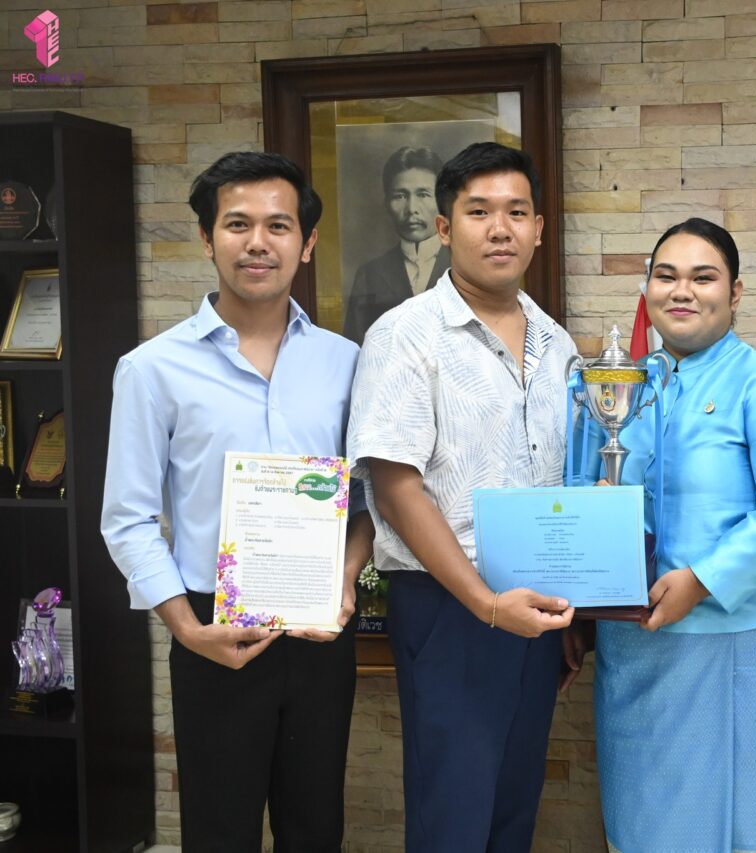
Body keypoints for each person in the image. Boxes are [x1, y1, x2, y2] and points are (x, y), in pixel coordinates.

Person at [101, 151, 374, 852]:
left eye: (279, 225)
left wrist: (344, 581)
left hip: (320, 637)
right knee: (218, 832)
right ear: (206, 238)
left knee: (316, 828)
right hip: (212, 633)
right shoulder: (151, 369)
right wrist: (187, 630)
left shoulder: (348, 363)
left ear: (307, 243)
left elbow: (370, 497)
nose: (259, 242)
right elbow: (127, 519)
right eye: (238, 223)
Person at [345, 142, 576, 851]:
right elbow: (394, 481)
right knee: (453, 813)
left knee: (512, 806)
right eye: (478, 211)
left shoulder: (557, 343)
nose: (499, 228)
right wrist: (483, 601)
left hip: (535, 609)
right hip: (452, 610)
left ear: (539, 227)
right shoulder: (406, 335)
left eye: (515, 212)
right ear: (445, 227)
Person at [580, 218, 756, 852]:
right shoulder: (616, 389)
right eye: (665, 276)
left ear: (736, 292)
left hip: (750, 640)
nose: (682, 291)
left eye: (703, 277)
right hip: (637, 641)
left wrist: (702, 580)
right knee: (651, 816)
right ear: (646, 289)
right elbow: (588, 499)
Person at [343, 146, 451, 345]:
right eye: (400, 196)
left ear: (442, 200)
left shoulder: (464, 265)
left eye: (423, 194)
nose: (411, 209)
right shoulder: (370, 274)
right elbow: (356, 348)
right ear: (386, 203)